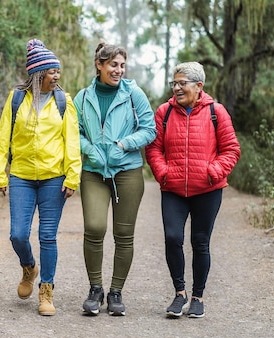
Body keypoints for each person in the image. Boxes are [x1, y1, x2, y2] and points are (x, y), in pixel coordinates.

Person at [0, 39, 81, 316]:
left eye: (58, 72)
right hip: (21, 176)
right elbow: (2, 136)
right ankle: (29, 267)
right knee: (18, 234)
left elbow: (72, 141)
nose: (56, 76)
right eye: (52, 72)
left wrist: (72, 176)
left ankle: (46, 291)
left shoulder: (64, 101)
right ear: (38, 74)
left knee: (48, 236)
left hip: (54, 177)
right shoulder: (16, 98)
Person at [145, 62, 241, 318]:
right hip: (173, 189)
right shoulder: (164, 112)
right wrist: (163, 173)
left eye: (181, 83)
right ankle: (179, 294)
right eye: (173, 83)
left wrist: (214, 172)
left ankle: (198, 297)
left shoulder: (216, 112)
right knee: (173, 238)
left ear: (199, 86)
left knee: (200, 242)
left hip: (207, 191)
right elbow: (154, 148)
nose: (176, 88)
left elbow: (232, 149)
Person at [72, 42, 156, 316]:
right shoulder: (82, 98)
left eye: (122, 65)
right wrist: (90, 150)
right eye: (113, 65)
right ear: (99, 65)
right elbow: (75, 133)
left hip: (128, 170)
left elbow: (149, 129)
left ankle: (116, 291)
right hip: (94, 171)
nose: (118, 70)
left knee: (124, 234)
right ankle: (95, 288)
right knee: (94, 228)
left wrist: (123, 145)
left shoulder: (134, 94)